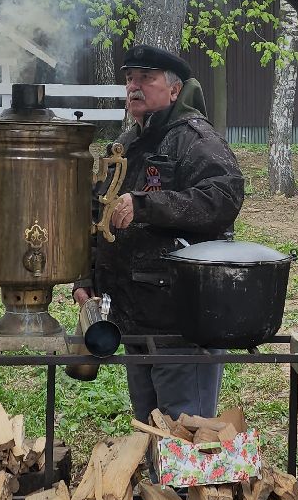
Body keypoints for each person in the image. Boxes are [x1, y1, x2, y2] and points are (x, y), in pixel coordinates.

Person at [77, 43, 244, 423]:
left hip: (181, 323)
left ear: (174, 89)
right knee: (150, 427)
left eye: (146, 78)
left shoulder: (196, 139)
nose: (134, 87)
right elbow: (96, 214)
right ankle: (157, 485)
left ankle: (183, 486)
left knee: (184, 433)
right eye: (129, 79)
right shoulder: (126, 144)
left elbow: (224, 197)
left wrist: (146, 205)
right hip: (133, 318)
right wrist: (86, 276)